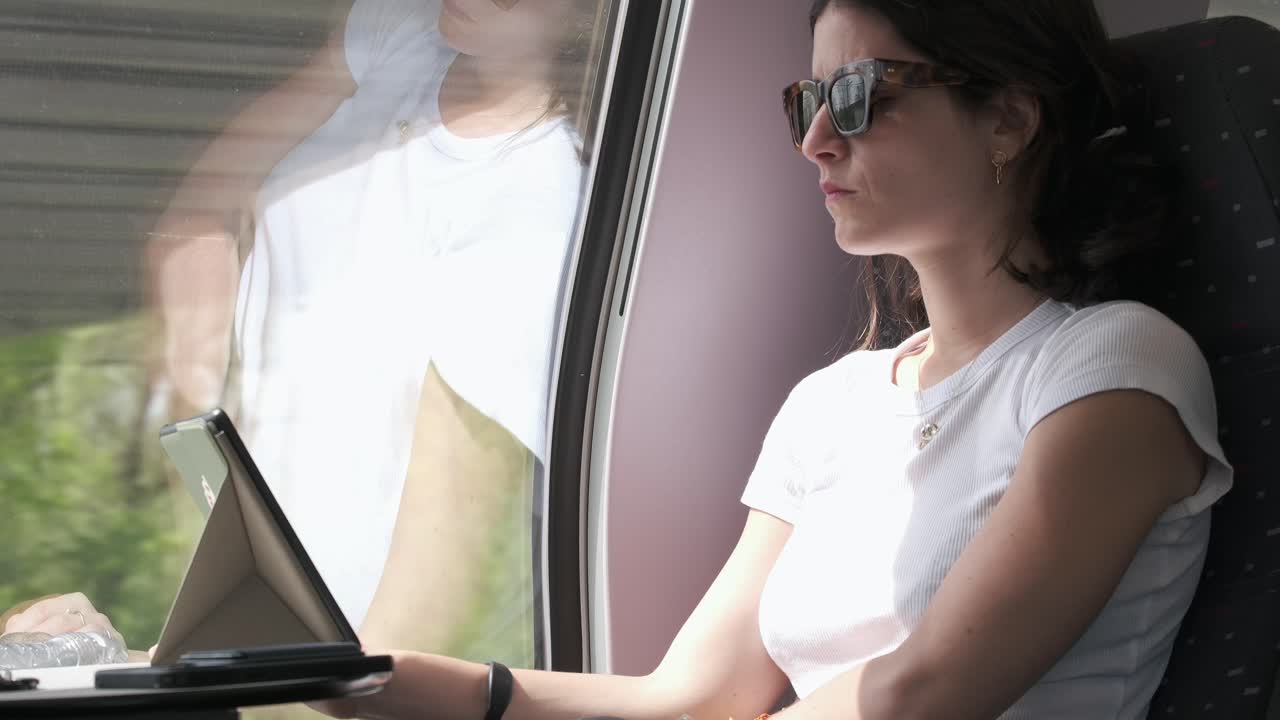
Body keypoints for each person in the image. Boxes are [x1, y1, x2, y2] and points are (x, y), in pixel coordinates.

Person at [302, 0, 1227, 718]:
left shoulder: (1115, 369)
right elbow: (688, 699)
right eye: (810, 101)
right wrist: (378, 678)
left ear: (1008, 121)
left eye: (861, 96)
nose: (818, 139)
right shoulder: (832, 405)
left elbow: (921, 695)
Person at [3, 0, 601, 668]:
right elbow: (199, 216)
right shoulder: (401, 30)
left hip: (321, 651)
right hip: (251, 607)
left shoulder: (540, 208)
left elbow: (390, 662)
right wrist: (199, 436)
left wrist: (116, 672)